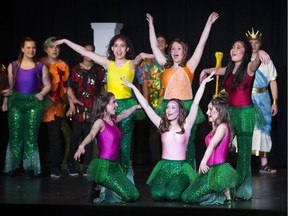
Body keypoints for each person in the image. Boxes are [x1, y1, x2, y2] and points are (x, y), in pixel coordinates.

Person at [54, 35, 153, 181]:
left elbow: (141, 57)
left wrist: (148, 55)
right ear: (112, 48)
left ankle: (125, 179)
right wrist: (66, 41)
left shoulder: (131, 64)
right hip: (109, 107)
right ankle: (108, 178)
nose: (119, 49)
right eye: (116, 46)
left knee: (124, 146)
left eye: (122, 46)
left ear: (127, 49)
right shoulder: (108, 63)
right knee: (108, 145)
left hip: (126, 106)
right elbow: (85, 52)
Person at [121, 72, 215, 201]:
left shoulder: (186, 126)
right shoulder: (162, 125)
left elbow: (195, 103)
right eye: (167, 108)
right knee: (157, 195)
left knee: (172, 195)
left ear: (179, 110)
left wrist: (203, 84)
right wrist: (133, 87)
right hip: (164, 167)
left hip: (180, 169)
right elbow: (147, 106)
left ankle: (184, 185)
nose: (169, 110)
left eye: (172, 107)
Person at [146, 12, 219, 169]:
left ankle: (189, 174)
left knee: (188, 144)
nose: (175, 51)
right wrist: (151, 25)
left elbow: (201, 45)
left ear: (184, 51)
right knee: (169, 141)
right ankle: (172, 171)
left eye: (178, 48)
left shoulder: (190, 66)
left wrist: (209, 24)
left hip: (185, 107)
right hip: (168, 107)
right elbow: (153, 46)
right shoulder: (165, 65)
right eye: (172, 48)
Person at [199, 39, 269, 200]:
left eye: (238, 47)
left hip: (244, 115)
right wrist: (205, 70)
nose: (233, 50)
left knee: (244, 156)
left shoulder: (249, 68)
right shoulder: (229, 69)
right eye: (232, 47)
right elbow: (217, 70)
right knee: (219, 147)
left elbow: (256, 61)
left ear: (245, 52)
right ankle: (216, 182)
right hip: (229, 114)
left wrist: (260, 53)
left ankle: (238, 189)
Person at [74, 91, 141, 203]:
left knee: (135, 194)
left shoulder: (113, 120)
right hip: (105, 168)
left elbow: (124, 114)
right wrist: (81, 146)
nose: (117, 105)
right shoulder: (100, 122)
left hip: (115, 167)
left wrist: (135, 107)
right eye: (114, 102)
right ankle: (99, 189)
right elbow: (91, 135)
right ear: (105, 105)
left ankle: (100, 190)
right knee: (129, 197)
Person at [1, 37, 51, 177]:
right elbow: (9, 87)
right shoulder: (13, 65)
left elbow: (47, 85)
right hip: (16, 103)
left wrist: (42, 93)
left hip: (34, 104)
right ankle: (13, 167)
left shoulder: (41, 66)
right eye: (28, 47)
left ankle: (30, 168)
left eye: (33, 47)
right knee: (15, 135)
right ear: (22, 49)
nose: (31, 50)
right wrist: (5, 102)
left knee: (31, 135)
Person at [181, 91, 236, 205]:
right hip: (209, 170)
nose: (207, 112)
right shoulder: (214, 129)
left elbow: (212, 145)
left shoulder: (223, 126)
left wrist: (203, 162)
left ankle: (224, 192)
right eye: (208, 109)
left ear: (220, 111)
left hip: (219, 171)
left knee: (191, 198)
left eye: (210, 109)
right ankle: (219, 192)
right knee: (186, 196)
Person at [66, 43, 105, 176]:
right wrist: (72, 103)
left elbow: (102, 89)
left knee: (89, 134)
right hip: (78, 104)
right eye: (86, 51)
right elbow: (69, 88)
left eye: (92, 51)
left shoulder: (99, 70)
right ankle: (72, 164)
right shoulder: (75, 69)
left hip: (93, 106)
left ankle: (87, 165)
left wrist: (102, 107)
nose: (89, 54)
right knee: (76, 134)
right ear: (82, 53)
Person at [246, 27, 278, 174]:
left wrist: (275, 102)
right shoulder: (244, 58)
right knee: (245, 128)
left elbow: (272, 81)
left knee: (264, 128)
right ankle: (243, 163)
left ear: (260, 44)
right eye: (251, 42)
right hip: (247, 96)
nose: (253, 45)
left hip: (263, 98)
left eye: (256, 42)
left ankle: (264, 164)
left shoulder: (266, 60)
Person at [41, 36, 71, 178]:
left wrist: (70, 104)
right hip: (39, 105)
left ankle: (55, 168)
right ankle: (34, 167)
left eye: (57, 47)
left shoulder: (63, 65)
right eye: (51, 47)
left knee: (55, 138)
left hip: (56, 106)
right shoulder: (39, 64)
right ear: (46, 49)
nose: (54, 49)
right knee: (37, 137)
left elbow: (67, 87)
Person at [141, 33, 168, 165]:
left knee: (168, 131)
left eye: (162, 41)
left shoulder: (170, 60)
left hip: (168, 100)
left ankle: (168, 160)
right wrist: (146, 102)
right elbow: (145, 83)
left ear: (166, 45)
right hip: (153, 101)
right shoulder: (147, 62)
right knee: (154, 132)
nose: (160, 43)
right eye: (157, 41)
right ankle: (156, 163)